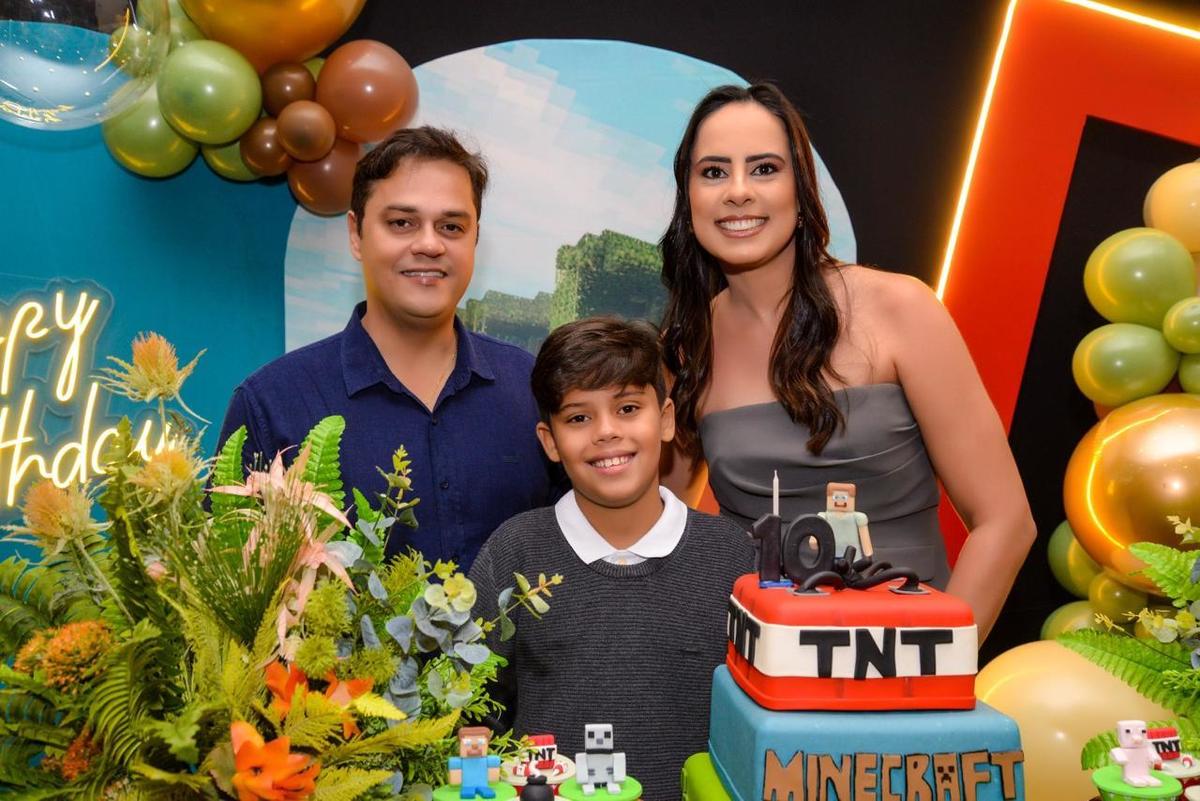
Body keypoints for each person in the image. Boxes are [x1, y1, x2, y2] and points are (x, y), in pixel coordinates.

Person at [658, 83, 1035, 641]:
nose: (738, 192)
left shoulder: (900, 309)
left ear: (801, 190)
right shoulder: (687, 346)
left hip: (906, 662)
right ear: (688, 197)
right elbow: (668, 529)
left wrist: (932, 667)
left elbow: (1006, 523)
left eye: (764, 169)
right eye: (714, 172)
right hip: (753, 666)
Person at [217, 126, 559, 570]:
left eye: (451, 227)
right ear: (356, 234)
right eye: (401, 223)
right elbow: (233, 583)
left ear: (474, 238)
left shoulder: (532, 388)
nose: (429, 244)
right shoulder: (272, 404)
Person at [468, 317, 755, 801]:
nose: (606, 432)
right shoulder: (514, 551)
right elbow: (475, 712)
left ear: (666, 419)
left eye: (627, 408)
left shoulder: (731, 556)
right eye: (579, 418)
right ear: (550, 441)